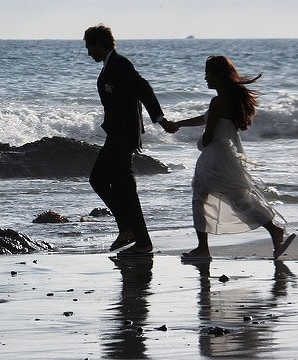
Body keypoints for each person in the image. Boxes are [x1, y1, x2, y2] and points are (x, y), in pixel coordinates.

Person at [168, 55, 295, 260]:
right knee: (238, 198)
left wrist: (201, 143)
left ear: (218, 76)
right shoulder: (229, 99)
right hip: (226, 156)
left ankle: (203, 248)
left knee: (201, 196)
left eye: (208, 74)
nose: (205, 78)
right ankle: (273, 230)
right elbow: (205, 118)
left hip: (215, 157)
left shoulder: (219, 101)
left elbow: (209, 134)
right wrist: (180, 123)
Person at [83, 24, 174, 255]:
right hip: (117, 134)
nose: (88, 53)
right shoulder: (110, 65)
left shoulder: (120, 64)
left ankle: (141, 239)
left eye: (89, 47)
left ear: (99, 44)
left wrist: (160, 119)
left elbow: (144, 88)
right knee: (105, 181)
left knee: (114, 184)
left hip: (123, 135)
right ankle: (127, 229)